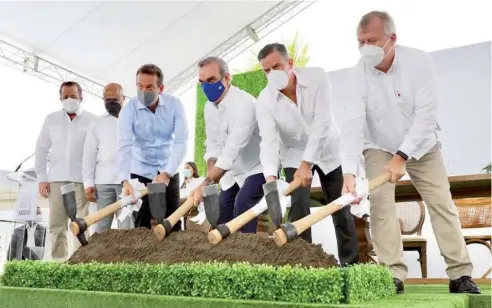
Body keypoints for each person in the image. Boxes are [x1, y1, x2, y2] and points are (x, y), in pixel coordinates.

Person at [341, 11, 480, 294]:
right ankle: (393, 274)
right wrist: (349, 172)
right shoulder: (357, 75)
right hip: (378, 146)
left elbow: (425, 117)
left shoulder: (418, 61)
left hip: (422, 147)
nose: (365, 47)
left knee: (441, 202)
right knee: (380, 203)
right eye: (360, 41)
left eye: (372, 40)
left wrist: (402, 156)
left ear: (392, 39)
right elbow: (352, 126)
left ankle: (460, 274)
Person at [254, 43, 359, 266]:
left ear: (290, 63)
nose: (272, 74)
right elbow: (269, 141)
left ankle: (350, 265)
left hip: (328, 148)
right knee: (299, 208)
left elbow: (322, 122)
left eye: (277, 66)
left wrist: (307, 163)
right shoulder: (264, 100)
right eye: (267, 71)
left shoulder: (317, 77)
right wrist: (271, 178)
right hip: (293, 153)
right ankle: (306, 264)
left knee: (340, 207)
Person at [190, 56, 265, 233]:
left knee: (243, 203)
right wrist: (209, 178)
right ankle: (226, 257)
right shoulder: (209, 107)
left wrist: (206, 182)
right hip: (232, 174)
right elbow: (213, 144)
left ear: (227, 78)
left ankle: (246, 257)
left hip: (257, 168)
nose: (206, 87)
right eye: (202, 82)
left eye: (211, 80)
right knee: (221, 213)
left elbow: (232, 150)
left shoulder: (246, 104)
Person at [117, 64, 188, 231]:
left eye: (149, 87)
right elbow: (124, 145)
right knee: (141, 220)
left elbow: (181, 141)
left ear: (160, 88)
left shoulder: (175, 105)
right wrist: (125, 180)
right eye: (139, 86)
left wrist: (167, 172)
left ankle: (176, 255)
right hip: (140, 169)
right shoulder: (128, 110)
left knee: (173, 219)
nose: (143, 90)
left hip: (168, 166)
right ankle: (143, 256)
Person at [35, 81, 97, 261]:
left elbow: (96, 151)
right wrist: (42, 178)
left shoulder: (92, 120)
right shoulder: (51, 119)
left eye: (73, 96)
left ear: (81, 97)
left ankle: (79, 264)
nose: (69, 99)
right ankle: (58, 262)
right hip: (56, 179)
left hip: (81, 181)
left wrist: (92, 181)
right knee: (56, 224)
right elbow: (41, 148)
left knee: (81, 224)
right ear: (60, 98)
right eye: (66, 96)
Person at [82, 83, 132, 233]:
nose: (110, 103)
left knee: (126, 227)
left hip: (127, 184)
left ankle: (127, 257)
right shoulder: (97, 123)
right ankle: (99, 257)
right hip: (102, 183)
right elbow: (89, 153)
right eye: (107, 99)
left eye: (114, 99)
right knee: (101, 228)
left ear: (123, 98)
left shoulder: (134, 120)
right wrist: (88, 183)